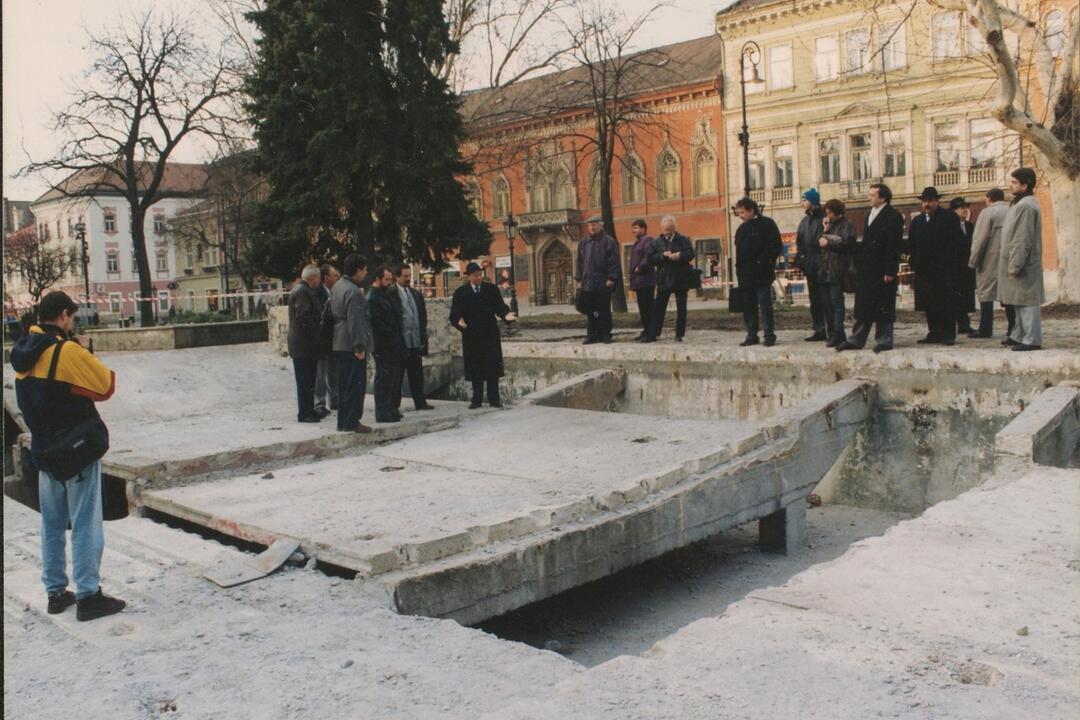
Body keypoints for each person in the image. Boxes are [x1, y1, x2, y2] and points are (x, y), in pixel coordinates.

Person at [10, 291, 125, 621]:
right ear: (62, 316)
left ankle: (56, 592)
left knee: (52, 523)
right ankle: (89, 596)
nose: (73, 323)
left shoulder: (22, 351)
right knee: (86, 521)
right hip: (75, 450)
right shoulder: (66, 351)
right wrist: (83, 354)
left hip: (44, 450)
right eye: (72, 318)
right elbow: (105, 386)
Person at [837, 183, 904, 353]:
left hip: (882, 269)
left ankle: (884, 339)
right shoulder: (869, 214)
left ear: (882, 197)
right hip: (867, 268)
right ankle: (857, 339)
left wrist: (890, 271)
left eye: (873, 195)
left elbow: (893, 246)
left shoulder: (894, 216)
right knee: (863, 305)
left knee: (884, 305)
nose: (869, 197)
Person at [450, 262, 517, 408]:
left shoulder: (491, 289)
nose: (478, 278)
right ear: (469, 277)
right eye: (475, 276)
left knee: (492, 367)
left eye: (480, 275)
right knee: (475, 368)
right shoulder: (461, 293)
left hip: (490, 334)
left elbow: (500, 307)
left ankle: (494, 399)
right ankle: (477, 400)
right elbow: (454, 315)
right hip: (471, 335)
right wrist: (459, 323)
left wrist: (507, 315)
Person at [908, 186, 966, 345]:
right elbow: (911, 245)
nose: (927, 204)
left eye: (930, 201)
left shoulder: (948, 217)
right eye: (924, 201)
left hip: (944, 270)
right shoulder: (917, 221)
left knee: (946, 302)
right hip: (924, 270)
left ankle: (948, 334)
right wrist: (913, 262)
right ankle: (934, 332)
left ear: (937, 201)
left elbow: (958, 243)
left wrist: (953, 264)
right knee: (929, 303)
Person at [999, 168, 1044, 351]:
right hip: (1017, 261)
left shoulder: (1025, 206)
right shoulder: (1020, 204)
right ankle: (1019, 335)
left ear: (1025, 186)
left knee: (1026, 302)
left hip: (1023, 263)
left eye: (1014, 182)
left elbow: (1022, 238)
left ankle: (1031, 339)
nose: (1011, 185)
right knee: (1017, 300)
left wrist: (1015, 264)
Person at [330, 253, 372, 434]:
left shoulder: (337, 286)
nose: (365, 273)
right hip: (350, 342)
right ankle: (352, 421)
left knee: (343, 383)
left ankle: (343, 420)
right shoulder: (354, 291)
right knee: (355, 383)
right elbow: (355, 321)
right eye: (364, 270)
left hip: (338, 341)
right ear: (357, 270)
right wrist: (359, 346)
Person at [734, 197, 783, 347]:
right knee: (749, 306)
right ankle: (752, 334)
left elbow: (776, 246)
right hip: (745, 275)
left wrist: (764, 262)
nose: (740, 216)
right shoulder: (742, 229)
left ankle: (769, 334)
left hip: (762, 274)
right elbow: (739, 252)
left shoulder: (767, 224)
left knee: (765, 304)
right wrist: (740, 271)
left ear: (751, 210)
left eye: (742, 212)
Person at [641, 215, 695, 343]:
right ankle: (653, 334)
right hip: (663, 278)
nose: (667, 232)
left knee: (681, 308)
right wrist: (662, 256)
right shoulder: (656, 242)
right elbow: (649, 259)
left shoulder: (683, 239)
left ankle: (679, 334)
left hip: (680, 278)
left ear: (675, 228)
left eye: (670, 229)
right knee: (658, 307)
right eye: (665, 229)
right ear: (662, 228)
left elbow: (690, 253)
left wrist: (680, 256)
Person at [968, 188, 1010, 339]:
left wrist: (973, 261)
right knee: (1008, 294)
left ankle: (985, 329)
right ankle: (1013, 328)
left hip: (989, 260)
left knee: (986, 295)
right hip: (1007, 258)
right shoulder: (1011, 210)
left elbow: (981, 239)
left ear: (988, 198)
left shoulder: (987, 213)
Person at [393, 264, 435, 412]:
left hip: (415, 341)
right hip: (400, 342)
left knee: (416, 373)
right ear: (397, 277)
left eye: (409, 276)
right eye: (405, 276)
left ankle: (420, 402)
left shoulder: (415, 294)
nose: (408, 279)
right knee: (397, 376)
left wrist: (423, 336)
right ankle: (394, 405)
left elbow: (422, 315)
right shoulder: (392, 294)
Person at [815, 199, 856, 347]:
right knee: (827, 305)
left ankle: (838, 333)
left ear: (837, 212)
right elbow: (818, 243)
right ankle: (832, 333)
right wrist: (825, 230)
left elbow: (850, 246)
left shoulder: (847, 225)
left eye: (830, 212)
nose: (828, 215)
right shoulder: (828, 226)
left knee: (836, 303)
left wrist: (830, 243)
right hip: (824, 270)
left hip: (837, 270)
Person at [574, 215, 621, 344]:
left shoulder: (608, 241)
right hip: (588, 283)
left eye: (594, 225)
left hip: (603, 282)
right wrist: (578, 279)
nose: (591, 227)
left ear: (601, 226)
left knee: (603, 309)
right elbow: (579, 262)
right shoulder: (583, 242)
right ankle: (592, 334)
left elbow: (614, 261)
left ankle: (605, 334)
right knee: (591, 311)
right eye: (589, 225)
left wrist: (612, 277)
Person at [367, 265, 405, 422]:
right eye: (387, 279)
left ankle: (390, 408)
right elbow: (378, 324)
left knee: (391, 378)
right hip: (382, 344)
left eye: (391, 279)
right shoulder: (373, 298)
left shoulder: (384, 295)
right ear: (378, 279)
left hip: (391, 343)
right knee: (384, 377)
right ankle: (382, 412)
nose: (390, 283)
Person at [288, 264, 324, 422]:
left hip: (303, 344)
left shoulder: (301, 290)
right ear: (313, 277)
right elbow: (304, 317)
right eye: (319, 277)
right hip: (304, 344)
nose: (320, 281)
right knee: (305, 380)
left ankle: (308, 410)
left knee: (308, 380)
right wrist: (318, 327)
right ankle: (305, 413)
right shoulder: (303, 292)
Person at [795, 188, 826, 341]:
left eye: (805, 200)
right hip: (810, 265)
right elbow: (799, 242)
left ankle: (829, 329)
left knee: (825, 299)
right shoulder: (804, 221)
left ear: (813, 202)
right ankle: (818, 329)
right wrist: (800, 260)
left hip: (823, 265)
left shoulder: (824, 218)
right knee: (814, 299)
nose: (802, 203)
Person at [313, 263, 340, 418]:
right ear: (326, 277)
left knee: (333, 371)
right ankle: (320, 403)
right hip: (322, 338)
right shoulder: (318, 293)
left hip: (333, 337)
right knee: (321, 373)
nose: (337, 277)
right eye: (334, 275)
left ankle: (335, 399)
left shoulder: (334, 291)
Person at [948, 198, 978, 335]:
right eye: (961, 207)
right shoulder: (948, 226)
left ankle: (964, 324)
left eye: (966, 207)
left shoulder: (969, 226)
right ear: (954, 210)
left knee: (966, 296)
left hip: (967, 267)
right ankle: (955, 324)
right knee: (955, 297)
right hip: (954, 267)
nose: (965, 210)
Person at [627, 219, 656, 341]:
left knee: (647, 307)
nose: (634, 230)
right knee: (643, 308)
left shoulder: (648, 240)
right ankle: (646, 331)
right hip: (639, 281)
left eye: (636, 228)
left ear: (644, 228)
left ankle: (651, 333)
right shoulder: (638, 242)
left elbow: (648, 257)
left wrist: (640, 267)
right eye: (633, 228)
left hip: (646, 280)